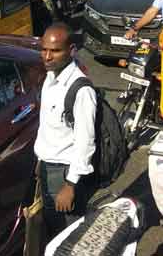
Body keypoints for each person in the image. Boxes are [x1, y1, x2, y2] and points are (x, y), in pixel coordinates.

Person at [33, 23, 97, 238]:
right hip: (48, 169)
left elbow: (85, 141)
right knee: (53, 228)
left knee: (68, 235)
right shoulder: (51, 77)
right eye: (44, 49)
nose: (47, 56)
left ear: (71, 50)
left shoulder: (81, 90)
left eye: (55, 50)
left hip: (64, 175)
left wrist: (70, 185)